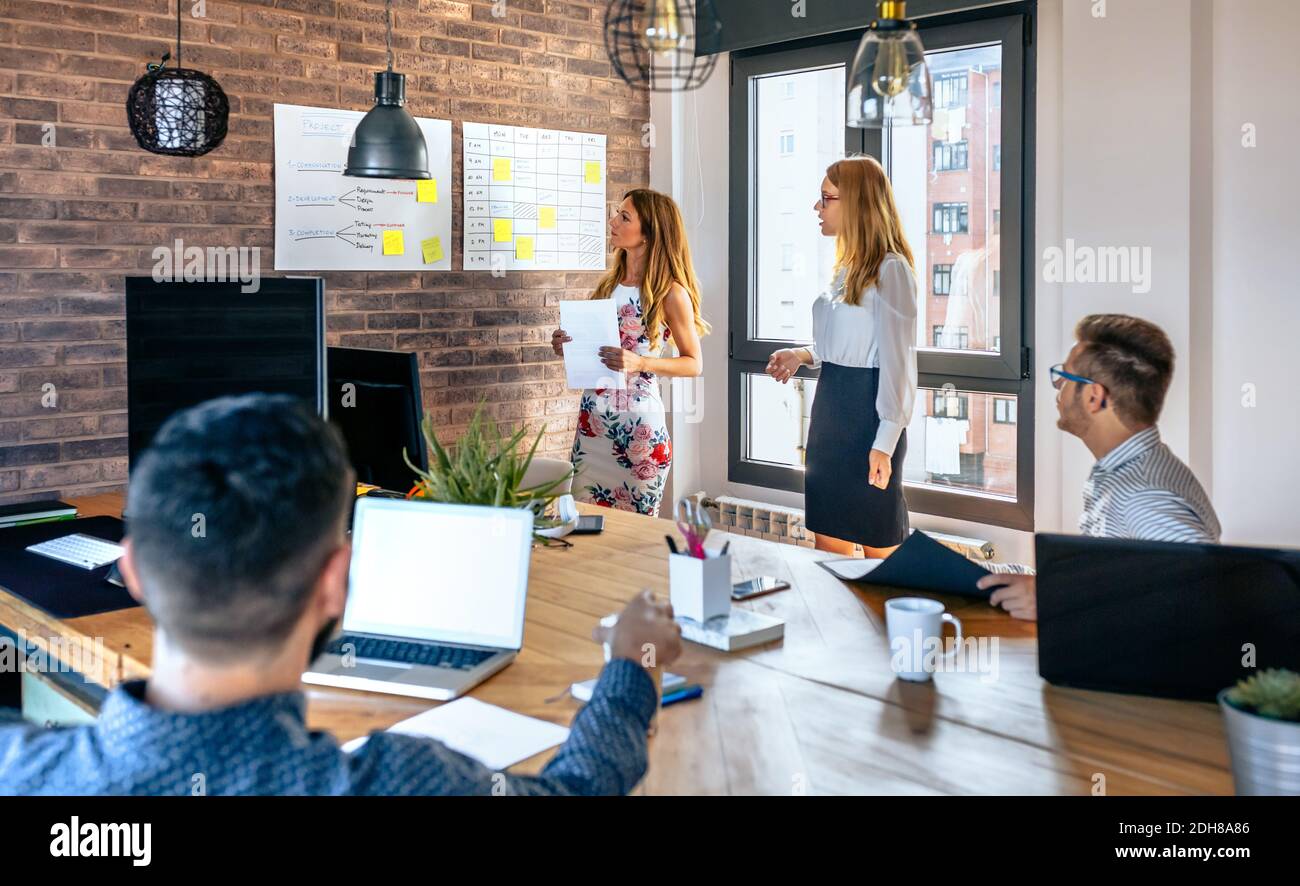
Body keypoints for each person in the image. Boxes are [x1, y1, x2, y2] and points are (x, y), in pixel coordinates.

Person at [0, 394, 683, 795]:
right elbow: (579, 786)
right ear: (336, 581)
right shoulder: (407, 781)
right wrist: (630, 667)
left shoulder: (20, 771)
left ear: (135, 572)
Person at [978, 314, 1221, 620]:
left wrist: (1060, 597)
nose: (1058, 389)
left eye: (1064, 378)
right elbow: (1113, 578)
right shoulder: (1131, 465)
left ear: (1094, 397)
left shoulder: (1144, 495)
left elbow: (1205, 597)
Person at [765, 156, 918, 558]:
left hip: (867, 417)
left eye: (825, 198)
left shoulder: (892, 270)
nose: (818, 207)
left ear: (856, 204)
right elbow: (844, 343)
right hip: (830, 411)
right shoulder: (847, 268)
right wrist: (804, 354)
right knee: (827, 548)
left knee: (878, 555)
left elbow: (897, 363)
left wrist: (884, 443)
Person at [552, 189, 709, 517]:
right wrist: (567, 344)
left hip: (638, 432)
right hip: (592, 428)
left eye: (625, 217)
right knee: (583, 528)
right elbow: (595, 349)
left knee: (632, 542)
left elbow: (693, 363)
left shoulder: (671, 293)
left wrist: (640, 362)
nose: (613, 221)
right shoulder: (607, 286)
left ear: (649, 234)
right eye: (616, 214)